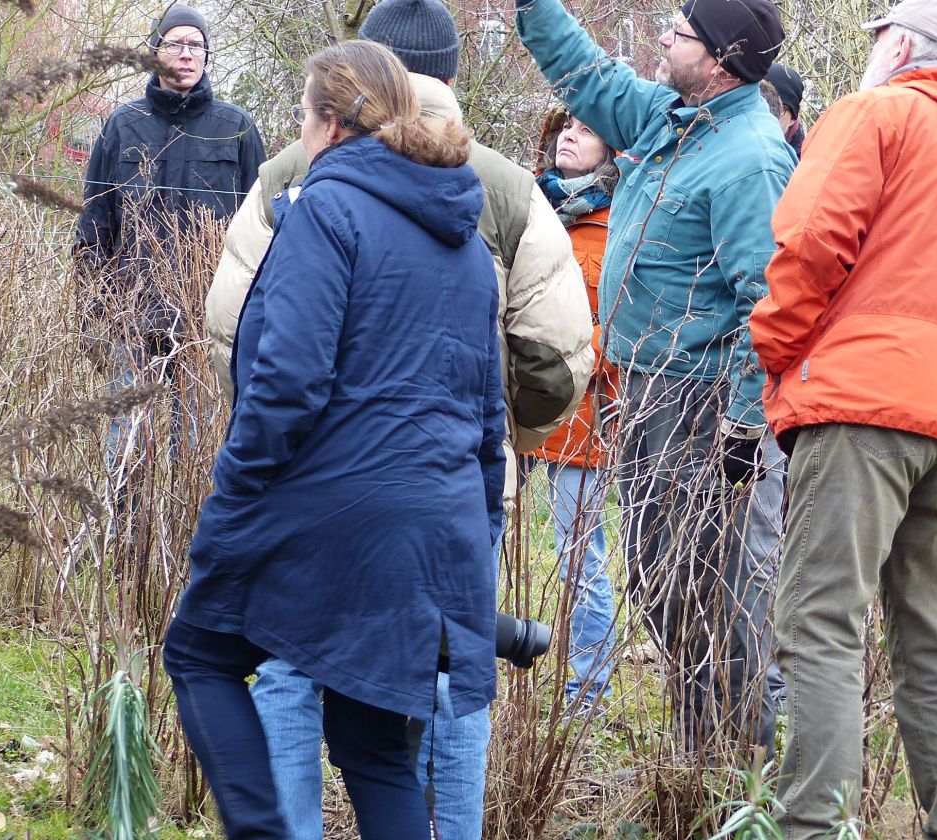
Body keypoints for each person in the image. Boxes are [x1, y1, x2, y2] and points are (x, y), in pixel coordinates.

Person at [205, 0, 593, 836]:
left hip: (309, 488)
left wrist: (275, 452)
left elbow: (234, 327)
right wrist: (495, 439)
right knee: (447, 677)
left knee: (285, 668)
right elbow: (557, 355)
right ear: (451, 75)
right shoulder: (502, 185)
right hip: (454, 485)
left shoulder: (292, 174)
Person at [163, 39, 503, 840]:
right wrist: (477, 536)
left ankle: (261, 829)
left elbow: (287, 387)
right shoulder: (467, 241)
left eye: (301, 116)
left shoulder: (327, 209)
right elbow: (487, 413)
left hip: (329, 516)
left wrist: (232, 501)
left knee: (200, 655)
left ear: (326, 125)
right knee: (372, 745)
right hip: (435, 527)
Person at [747, 0, 937, 834]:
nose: (870, 49)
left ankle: (814, 828)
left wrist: (776, 352)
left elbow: (810, 241)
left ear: (905, 48)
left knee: (819, 630)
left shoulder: (877, 114)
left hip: (855, 409)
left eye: (877, 36)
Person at [515, 0, 795, 761]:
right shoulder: (666, 118)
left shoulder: (750, 160)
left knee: (721, 591)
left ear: (720, 59)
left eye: (679, 32)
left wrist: (742, 425)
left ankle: (740, 774)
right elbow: (586, 73)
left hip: (702, 405)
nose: (664, 40)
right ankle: (699, 752)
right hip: (643, 396)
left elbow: (764, 304)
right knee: (659, 578)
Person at [75, 2, 264, 476]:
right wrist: (93, 303)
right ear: (156, 52)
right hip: (132, 314)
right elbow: (95, 219)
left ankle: (183, 544)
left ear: (207, 55)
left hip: (205, 316)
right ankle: (121, 536)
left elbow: (262, 227)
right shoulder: (122, 125)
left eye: (196, 45)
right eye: (176, 43)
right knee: (123, 447)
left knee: (194, 446)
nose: (187, 53)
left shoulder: (236, 129)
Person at [529, 108, 619, 712]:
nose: (569, 135)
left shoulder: (620, 225)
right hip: (508, 408)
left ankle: (586, 691)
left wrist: (567, 368)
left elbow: (621, 331)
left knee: (579, 558)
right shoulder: (529, 212)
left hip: (578, 414)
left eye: (586, 130)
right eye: (564, 126)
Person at [764, 63, 806, 155]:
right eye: (763, 105)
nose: (768, 116)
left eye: (778, 109)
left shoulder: (804, 159)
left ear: (792, 119)